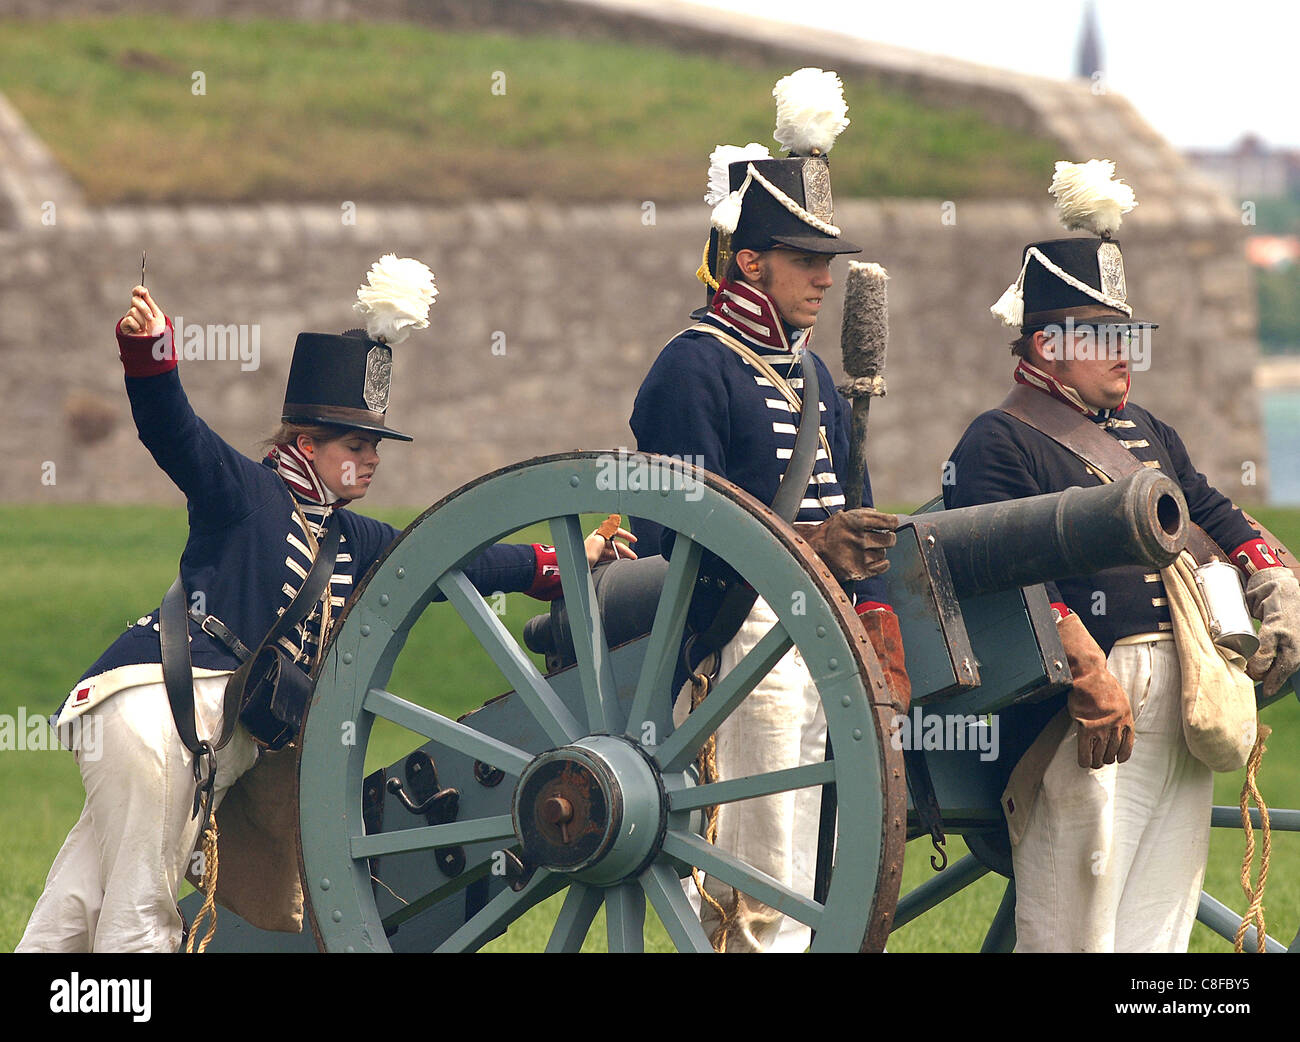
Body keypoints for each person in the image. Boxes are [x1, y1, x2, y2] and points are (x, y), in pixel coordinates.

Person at [17, 257, 632, 953]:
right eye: (355, 445)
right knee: (140, 919)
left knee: (77, 901)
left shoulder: (348, 533)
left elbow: (441, 558)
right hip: (165, 712)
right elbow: (174, 432)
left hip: (185, 733)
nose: (370, 460)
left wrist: (555, 563)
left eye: (374, 446)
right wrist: (151, 354)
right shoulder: (244, 493)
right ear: (305, 443)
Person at [944, 160, 1300, 951]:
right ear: (1046, 345)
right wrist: (1089, 673)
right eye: (1103, 337)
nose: (1123, 354)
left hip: (1182, 691)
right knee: (1081, 915)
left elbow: (1211, 512)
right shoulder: (998, 441)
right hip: (1088, 704)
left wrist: (1277, 578)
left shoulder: (1148, 431)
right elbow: (1006, 582)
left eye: (1125, 334)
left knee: (1157, 928)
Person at [630, 69, 910, 952]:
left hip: (816, 631)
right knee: (755, 877)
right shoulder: (691, 367)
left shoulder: (814, 373)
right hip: (737, 636)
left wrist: (872, 618)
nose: (826, 279)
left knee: (801, 869)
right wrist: (807, 544)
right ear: (750, 262)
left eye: (829, 262)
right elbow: (676, 532)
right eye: (807, 261)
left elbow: (853, 511)